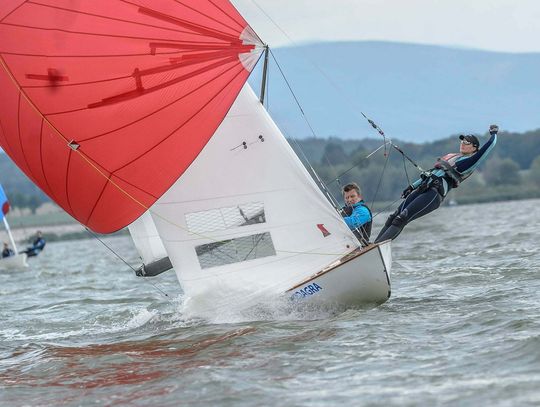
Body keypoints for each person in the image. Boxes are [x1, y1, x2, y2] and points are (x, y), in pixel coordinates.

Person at [375, 124, 499, 243]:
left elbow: (489, 146)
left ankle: (377, 247)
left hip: (434, 195)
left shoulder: (470, 161)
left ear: (474, 148)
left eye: (467, 142)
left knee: (401, 219)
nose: (463, 143)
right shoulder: (452, 156)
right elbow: (433, 172)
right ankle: (372, 246)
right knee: (393, 216)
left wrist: (493, 133)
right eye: (462, 141)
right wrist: (412, 186)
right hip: (423, 188)